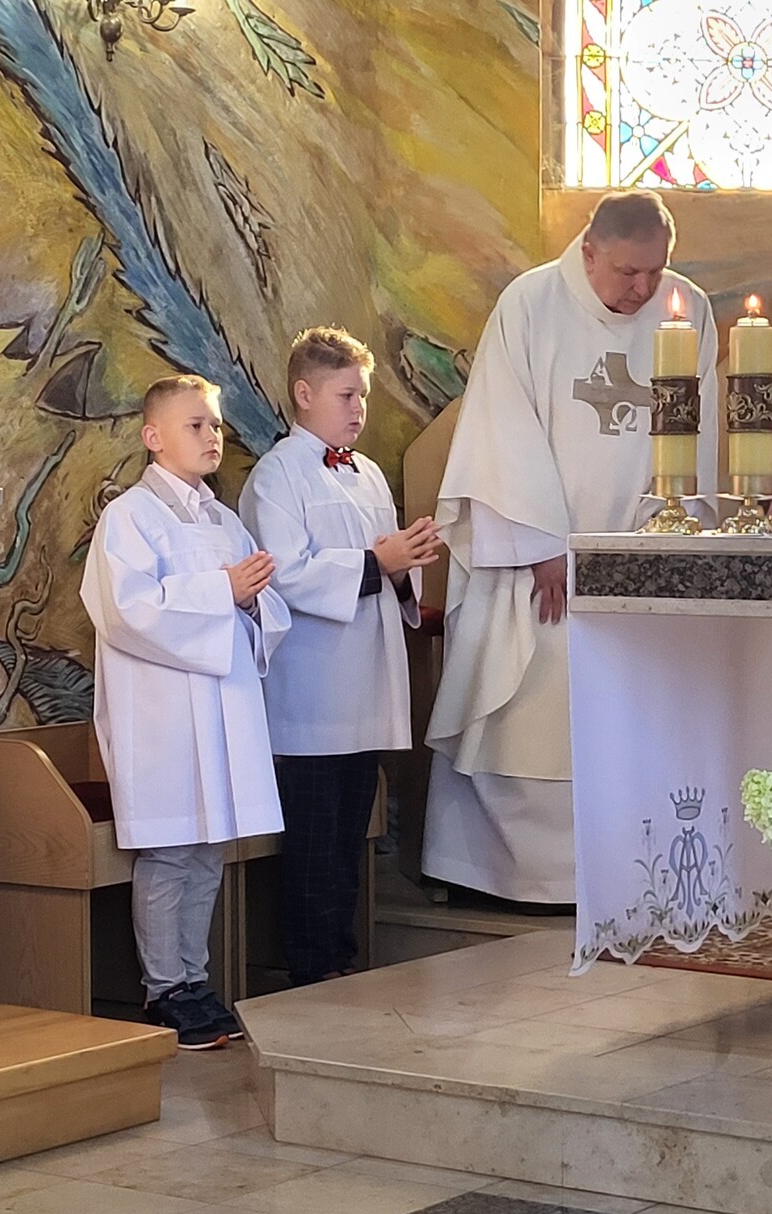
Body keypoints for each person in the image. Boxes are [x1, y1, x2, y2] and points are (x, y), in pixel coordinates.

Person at [423, 191, 718, 905]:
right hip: (541, 556)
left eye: (655, 271)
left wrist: (663, 541)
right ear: (589, 251)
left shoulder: (687, 309)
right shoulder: (529, 305)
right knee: (530, 706)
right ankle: (510, 876)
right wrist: (542, 542)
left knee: (639, 710)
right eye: (627, 272)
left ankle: (638, 868)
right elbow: (503, 428)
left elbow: (699, 428)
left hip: (642, 549)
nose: (643, 289)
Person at [83, 376, 290, 1048]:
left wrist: (250, 601)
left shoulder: (224, 521)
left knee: (206, 850)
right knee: (170, 851)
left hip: (221, 711)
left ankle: (196, 980)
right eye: (195, 425)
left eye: (215, 425)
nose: (211, 436)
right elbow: (128, 612)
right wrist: (220, 590)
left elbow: (263, 609)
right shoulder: (129, 518)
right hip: (162, 714)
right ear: (154, 437)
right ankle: (164, 988)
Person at [238, 329, 441, 985]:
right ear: (304, 393)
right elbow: (285, 573)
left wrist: (406, 561)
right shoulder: (277, 475)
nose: (359, 409)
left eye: (363, 396)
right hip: (315, 690)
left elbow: (384, 563)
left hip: (366, 683)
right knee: (314, 841)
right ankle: (311, 968)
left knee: (350, 834)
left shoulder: (368, 471)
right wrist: (378, 562)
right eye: (346, 395)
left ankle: (340, 958)